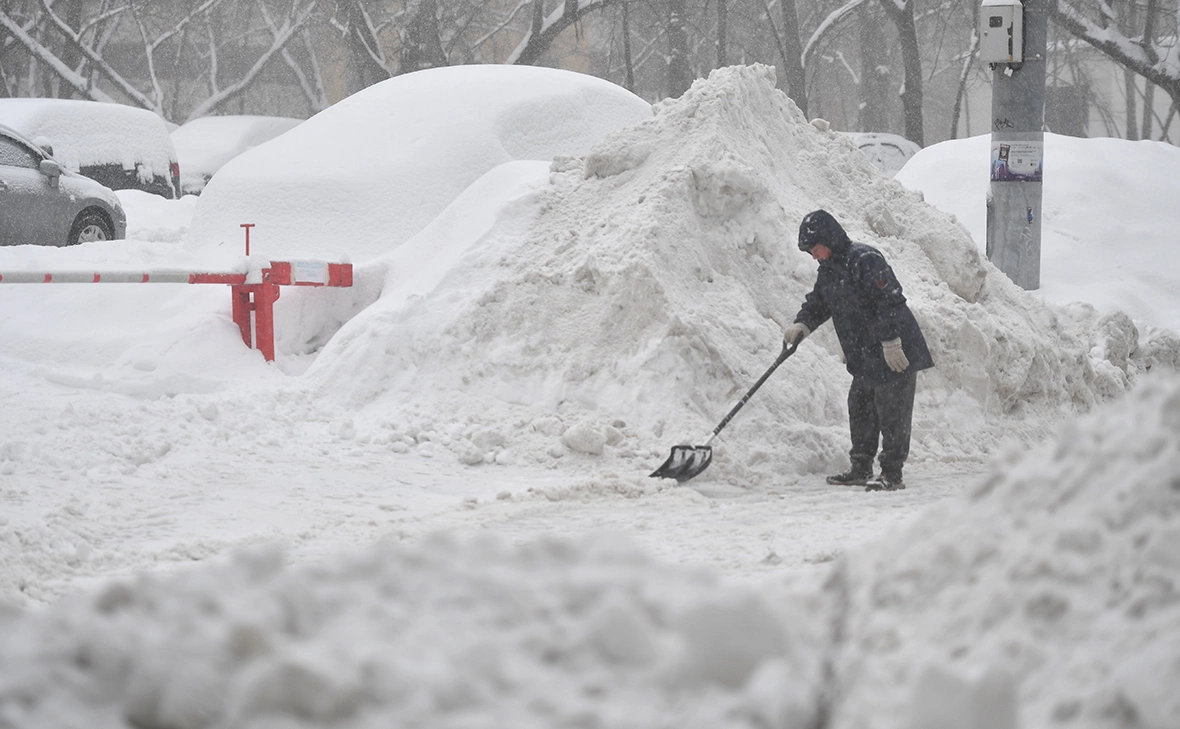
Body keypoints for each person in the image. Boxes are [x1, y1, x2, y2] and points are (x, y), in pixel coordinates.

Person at [782, 209, 933, 491]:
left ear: (829, 239)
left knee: (892, 412)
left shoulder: (865, 260)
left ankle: (892, 472)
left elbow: (889, 301)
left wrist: (891, 342)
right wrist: (802, 325)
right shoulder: (828, 270)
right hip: (866, 355)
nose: (814, 255)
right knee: (860, 407)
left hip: (895, 350)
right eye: (810, 252)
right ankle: (860, 467)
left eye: (815, 248)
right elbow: (818, 303)